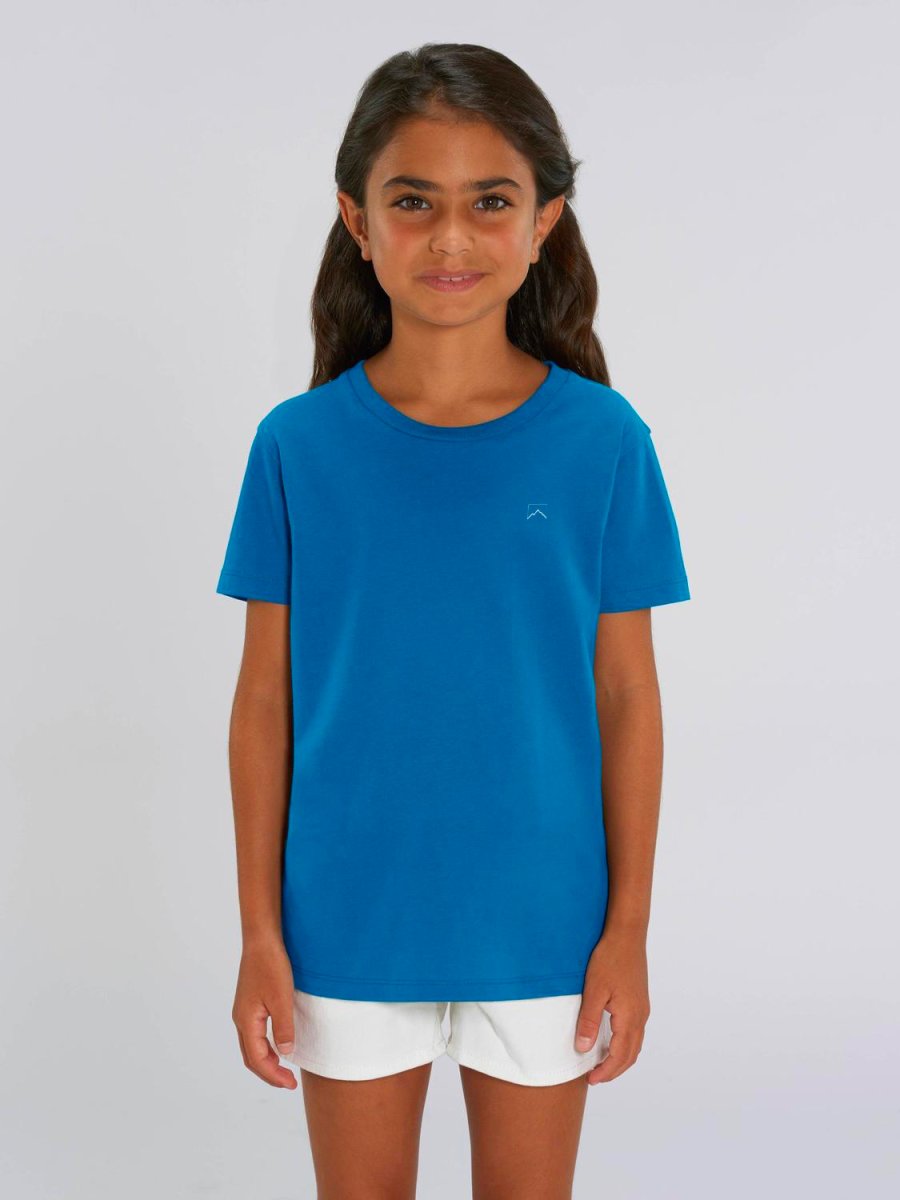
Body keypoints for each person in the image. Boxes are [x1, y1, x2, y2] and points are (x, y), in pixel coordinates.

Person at [215, 41, 691, 1199]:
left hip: (546, 924)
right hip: (346, 917)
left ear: (544, 222)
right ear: (356, 219)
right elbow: (265, 699)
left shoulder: (604, 442)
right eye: (413, 201)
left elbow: (627, 695)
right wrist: (261, 934)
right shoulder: (296, 448)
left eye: (491, 202)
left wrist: (627, 929)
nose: (450, 239)